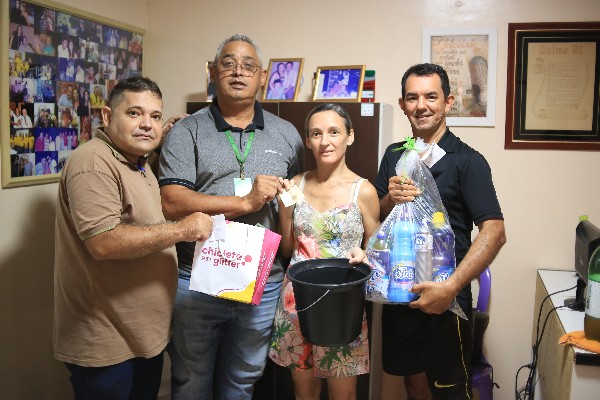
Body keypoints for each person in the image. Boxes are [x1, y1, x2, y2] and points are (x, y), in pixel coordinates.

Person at [158, 34, 304, 399]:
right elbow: (172, 202)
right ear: (212, 72)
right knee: (191, 381)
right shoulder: (186, 131)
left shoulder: (287, 134)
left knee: (242, 380)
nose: (238, 72)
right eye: (228, 63)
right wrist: (244, 202)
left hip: (261, 279)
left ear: (263, 76)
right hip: (197, 275)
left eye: (248, 66)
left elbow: (294, 200)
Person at [53, 76, 214, 400]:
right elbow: (104, 242)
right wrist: (183, 229)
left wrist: (159, 143)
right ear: (107, 116)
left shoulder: (136, 162)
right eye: (134, 113)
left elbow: (134, 211)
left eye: (155, 116)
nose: (146, 124)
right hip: (107, 343)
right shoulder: (93, 162)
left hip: (139, 336)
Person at [375, 63, 506, 400]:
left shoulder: (468, 161)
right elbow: (377, 219)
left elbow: (494, 231)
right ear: (402, 104)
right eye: (412, 97)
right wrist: (390, 198)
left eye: (431, 97)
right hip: (400, 293)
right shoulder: (393, 155)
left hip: (446, 299)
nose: (421, 105)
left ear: (448, 102)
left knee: (450, 392)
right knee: (414, 384)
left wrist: (450, 287)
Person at [268, 103, 380, 399]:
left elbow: (377, 248)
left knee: (344, 394)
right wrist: (284, 211)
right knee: (304, 392)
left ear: (350, 136)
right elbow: (288, 248)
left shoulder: (363, 191)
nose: (325, 141)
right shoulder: (296, 184)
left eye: (334, 132)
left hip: (342, 304)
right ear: (307, 140)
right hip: (297, 302)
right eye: (316, 134)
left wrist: (365, 255)